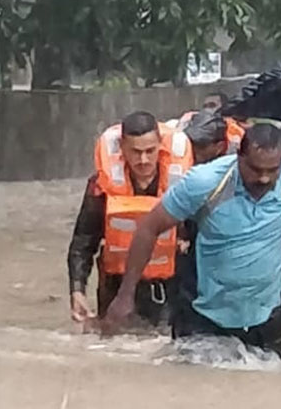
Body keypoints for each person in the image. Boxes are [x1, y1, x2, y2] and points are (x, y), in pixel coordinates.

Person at [101, 124, 281, 361]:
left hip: (269, 314)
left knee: (267, 389)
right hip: (204, 314)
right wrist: (125, 295)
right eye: (255, 169)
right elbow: (149, 228)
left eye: (273, 170)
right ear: (238, 156)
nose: (264, 178)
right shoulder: (205, 182)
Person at [67, 111, 193, 327]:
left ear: (160, 146)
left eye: (150, 151)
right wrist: (77, 290)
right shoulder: (101, 186)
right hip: (115, 288)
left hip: (170, 287)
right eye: (135, 152)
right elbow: (83, 241)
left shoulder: (185, 183)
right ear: (122, 148)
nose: (143, 160)